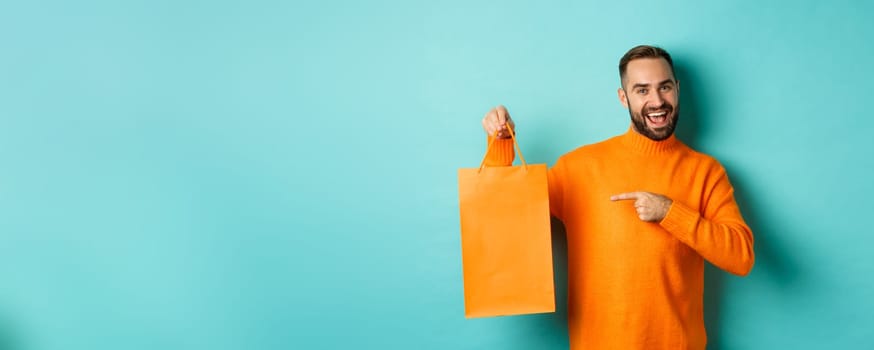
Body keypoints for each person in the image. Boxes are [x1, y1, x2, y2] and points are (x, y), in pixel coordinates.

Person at [480, 45, 754, 350]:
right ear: (623, 98)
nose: (657, 101)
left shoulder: (706, 172)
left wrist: (670, 212)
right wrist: (501, 145)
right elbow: (506, 210)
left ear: (677, 89)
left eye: (665, 87)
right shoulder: (579, 167)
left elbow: (741, 257)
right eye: (642, 90)